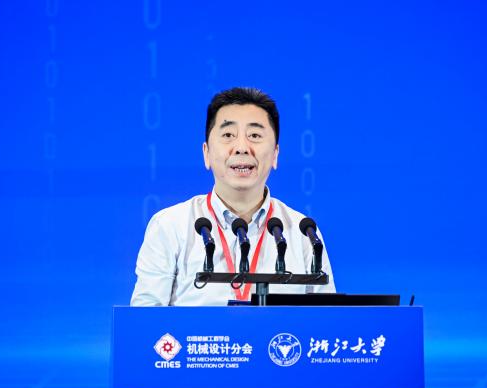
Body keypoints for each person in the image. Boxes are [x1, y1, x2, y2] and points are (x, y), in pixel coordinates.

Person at [130, 87, 335, 306]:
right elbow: (144, 319)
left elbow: (326, 320)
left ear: (275, 154)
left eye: (255, 135)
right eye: (228, 135)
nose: (242, 148)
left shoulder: (304, 233)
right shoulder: (170, 226)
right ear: (207, 153)